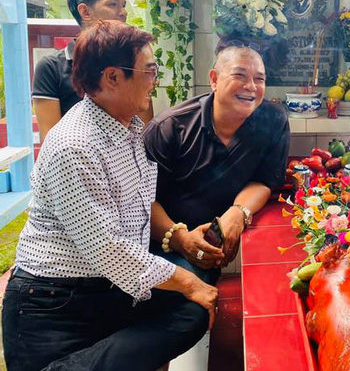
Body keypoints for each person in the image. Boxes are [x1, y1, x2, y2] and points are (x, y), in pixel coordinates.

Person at [2, 21, 219, 371]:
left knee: (193, 311)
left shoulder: (129, 129)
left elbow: (139, 212)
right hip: (54, 306)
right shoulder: (75, 145)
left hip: (110, 291)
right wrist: (186, 282)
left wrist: (180, 243)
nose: (154, 81)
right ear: (112, 77)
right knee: (192, 289)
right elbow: (108, 249)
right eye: (149, 71)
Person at [142, 40, 290, 282]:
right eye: (239, 75)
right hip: (158, 243)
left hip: (209, 244)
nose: (251, 87)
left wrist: (238, 212)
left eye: (260, 79)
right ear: (214, 79)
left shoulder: (273, 120)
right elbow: (140, 200)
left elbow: (264, 180)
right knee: (187, 297)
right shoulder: (170, 127)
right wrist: (180, 239)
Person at [32, 0, 154, 143]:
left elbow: (145, 131)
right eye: (113, 4)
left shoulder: (134, 62)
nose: (123, 13)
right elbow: (50, 139)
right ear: (85, 11)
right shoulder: (51, 67)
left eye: (123, 5)